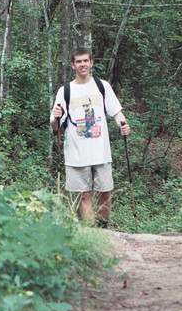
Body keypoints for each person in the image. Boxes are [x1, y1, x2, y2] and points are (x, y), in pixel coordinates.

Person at [50, 47, 130, 227]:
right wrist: (55, 116)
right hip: (76, 155)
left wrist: (123, 125)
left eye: (85, 60)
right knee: (84, 196)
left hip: (100, 152)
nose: (82, 64)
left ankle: (103, 229)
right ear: (73, 65)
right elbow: (55, 127)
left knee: (105, 192)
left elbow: (116, 112)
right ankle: (92, 234)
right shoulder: (65, 91)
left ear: (91, 63)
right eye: (78, 61)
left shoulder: (102, 86)